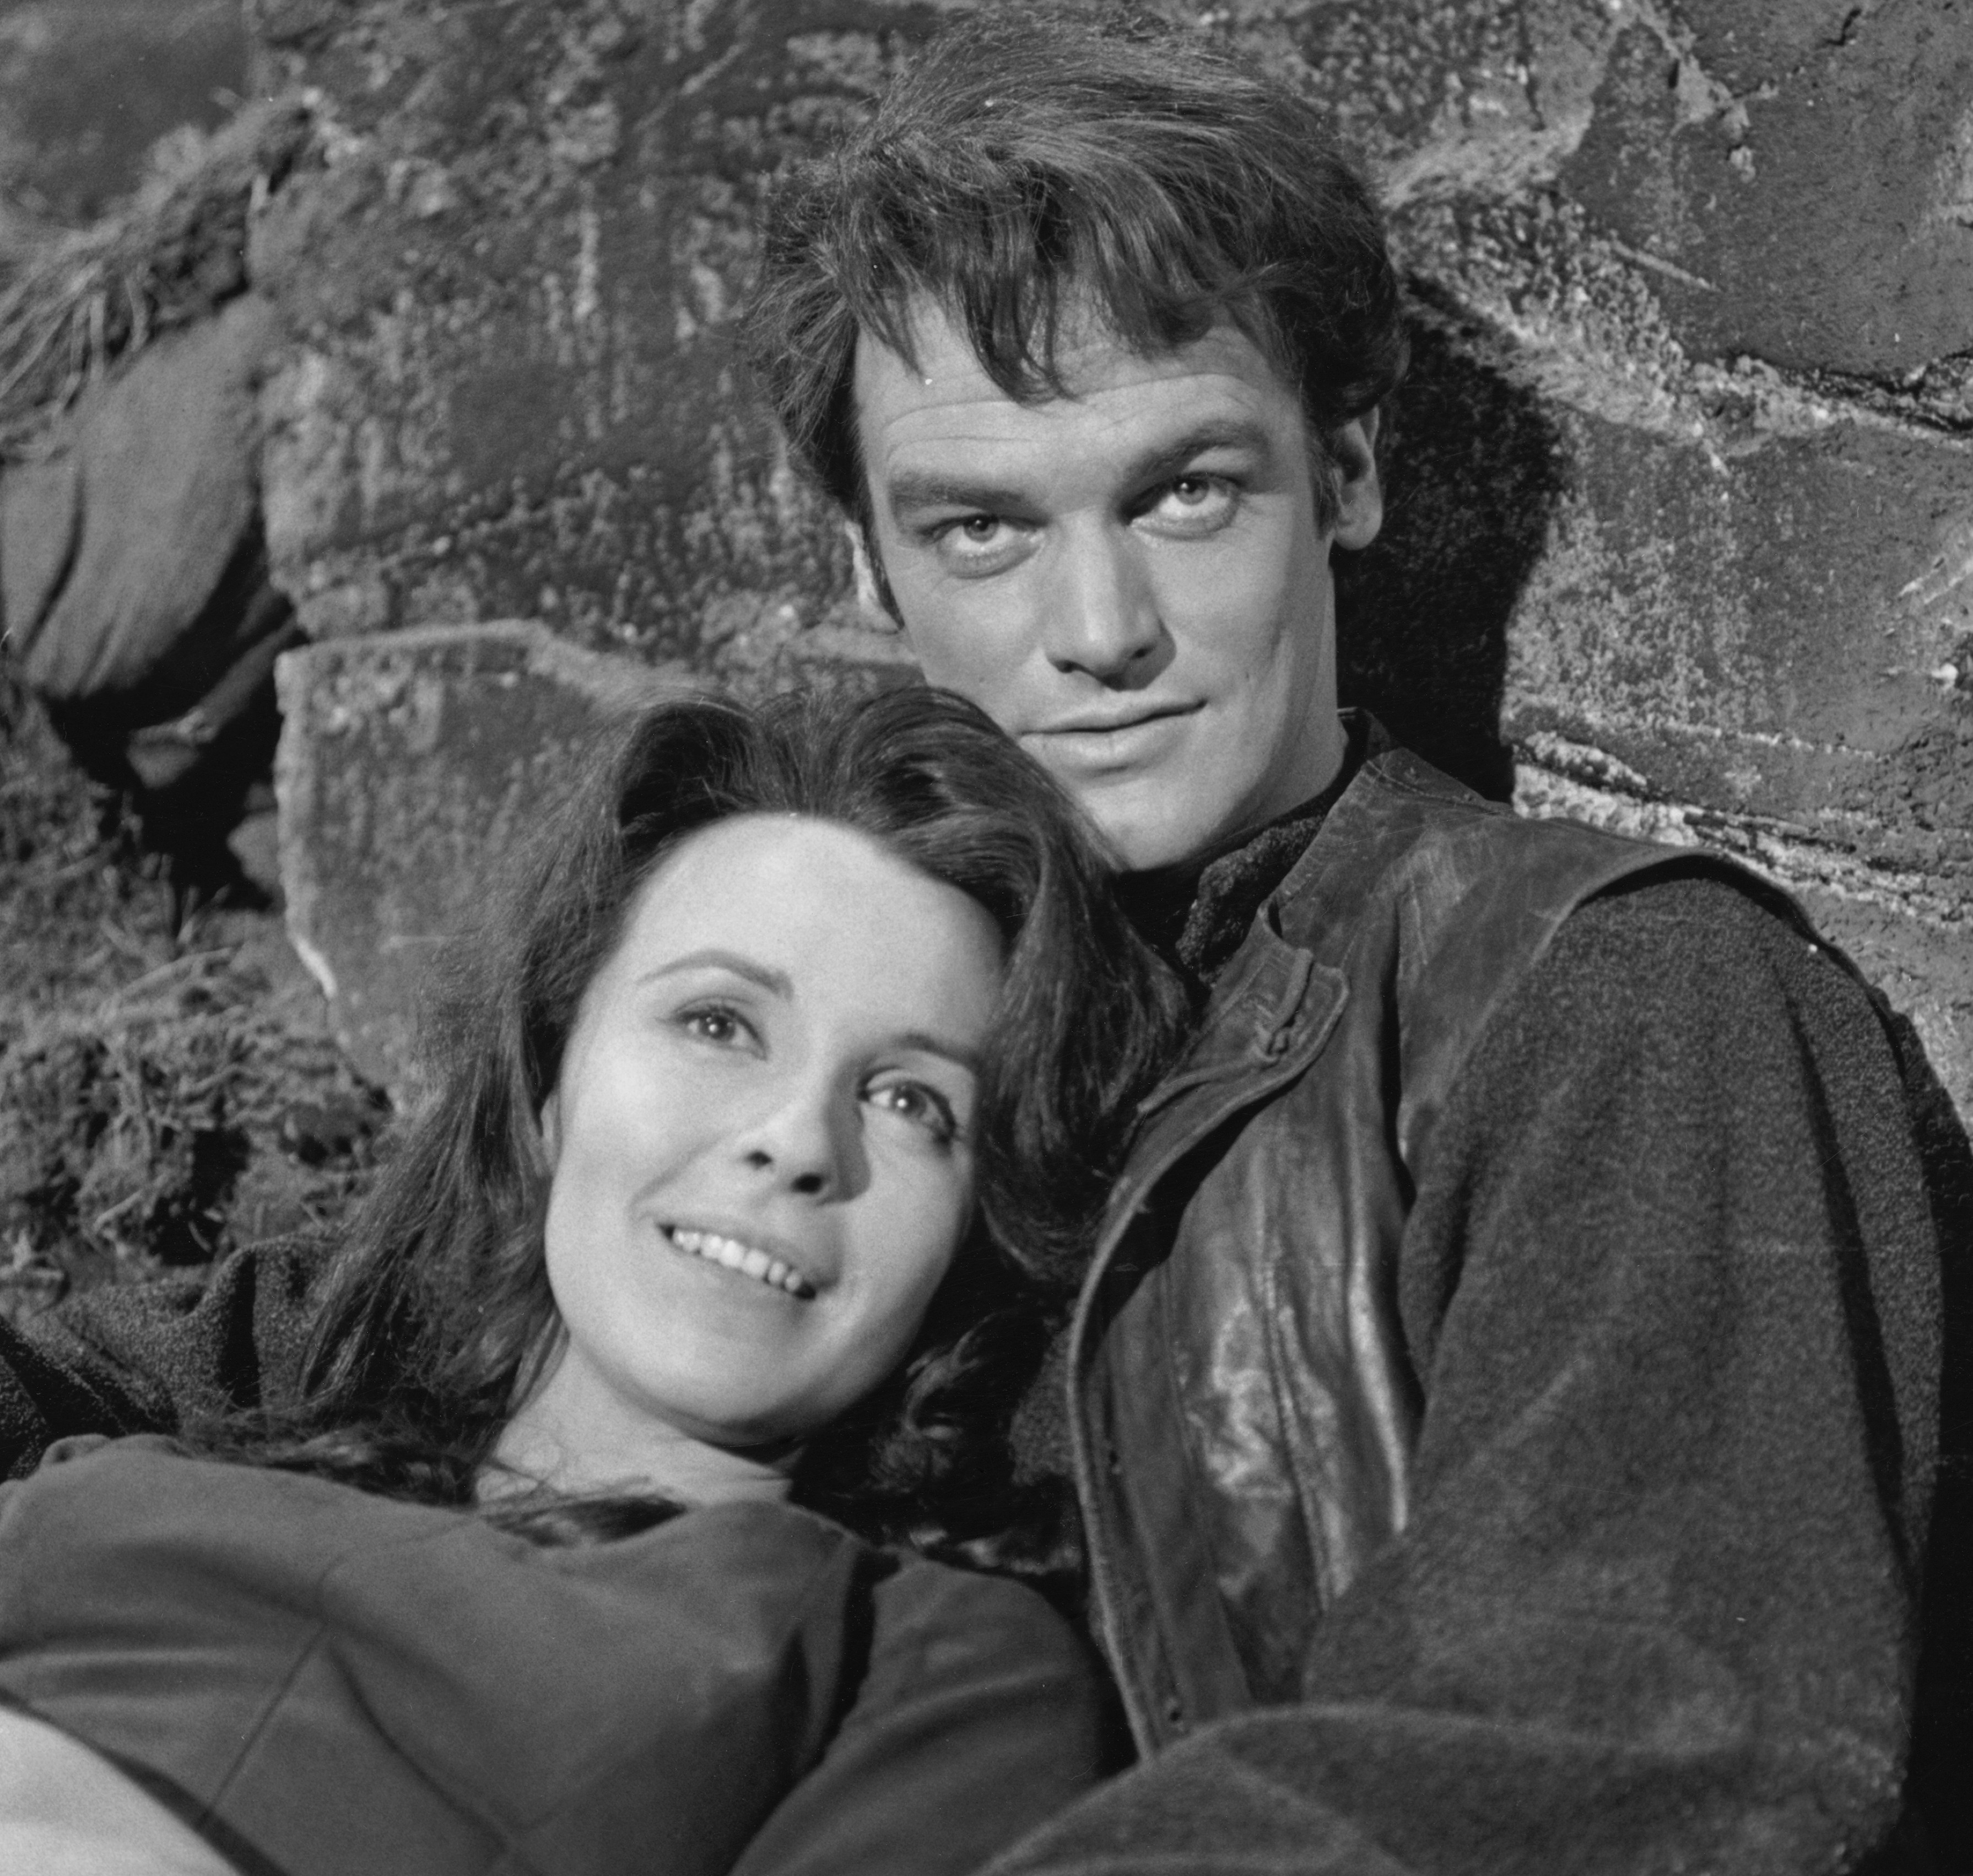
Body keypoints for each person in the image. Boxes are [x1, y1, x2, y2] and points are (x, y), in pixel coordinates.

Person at [1, 8, 1963, 1874]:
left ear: (1344, 472)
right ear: (865, 561)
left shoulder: (1604, 997)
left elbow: (1640, 1743)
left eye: (1186, 490)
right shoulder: (847, 998)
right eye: (981, 529)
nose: (1098, 625)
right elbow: (324, 1342)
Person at [0, 684, 1187, 1876]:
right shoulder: (172, 1445)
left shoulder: (923, 1664)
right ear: (550, 1081)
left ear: (974, 1229)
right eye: (720, 1024)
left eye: (912, 1100)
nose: (801, 1137)